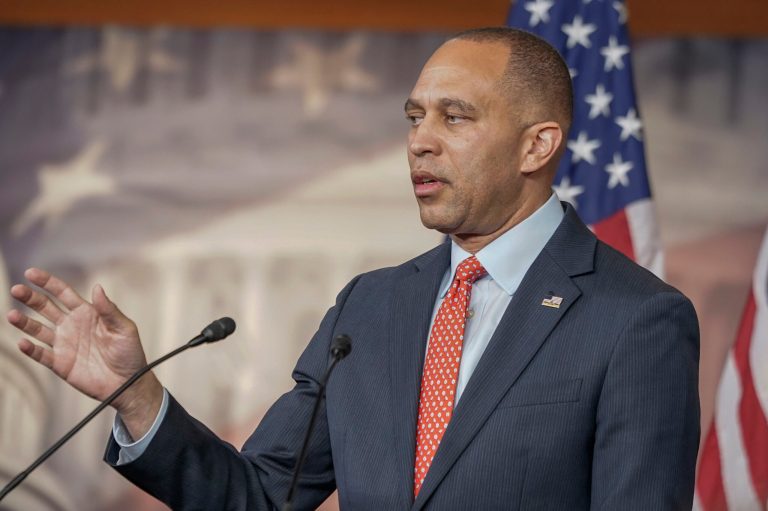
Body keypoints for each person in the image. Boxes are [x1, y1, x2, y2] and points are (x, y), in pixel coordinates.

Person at [7, 28, 700, 510]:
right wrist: (136, 394)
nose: (420, 142)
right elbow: (258, 496)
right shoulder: (370, 306)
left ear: (537, 145)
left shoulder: (634, 318)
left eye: (455, 117)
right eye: (414, 116)